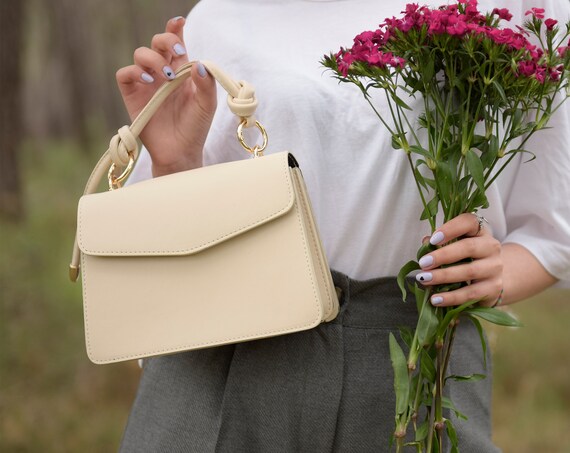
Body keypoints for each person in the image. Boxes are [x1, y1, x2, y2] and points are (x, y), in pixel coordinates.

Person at [115, 0, 570, 451]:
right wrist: (175, 164)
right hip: (222, 360)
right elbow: (170, 249)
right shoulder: (216, 19)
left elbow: (554, 232)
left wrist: (494, 275)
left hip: (419, 362)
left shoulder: (516, 8)